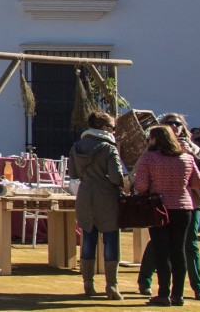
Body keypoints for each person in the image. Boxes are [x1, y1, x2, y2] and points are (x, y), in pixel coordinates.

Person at [137, 112, 200, 302]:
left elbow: (141, 186)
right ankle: (178, 295)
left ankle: (163, 294)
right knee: (179, 251)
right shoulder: (186, 158)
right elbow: (198, 182)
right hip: (184, 207)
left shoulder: (149, 158)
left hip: (159, 208)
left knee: (162, 251)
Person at [69, 111, 127, 299]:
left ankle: (88, 283)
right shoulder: (109, 148)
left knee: (88, 238)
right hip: (107, 197)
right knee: (111, 240)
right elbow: (117, 177)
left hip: (85, 195)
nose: (114, 131)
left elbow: (74, 173)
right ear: (104, 128)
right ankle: (112, 286)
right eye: (112, 127)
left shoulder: (77, 146)